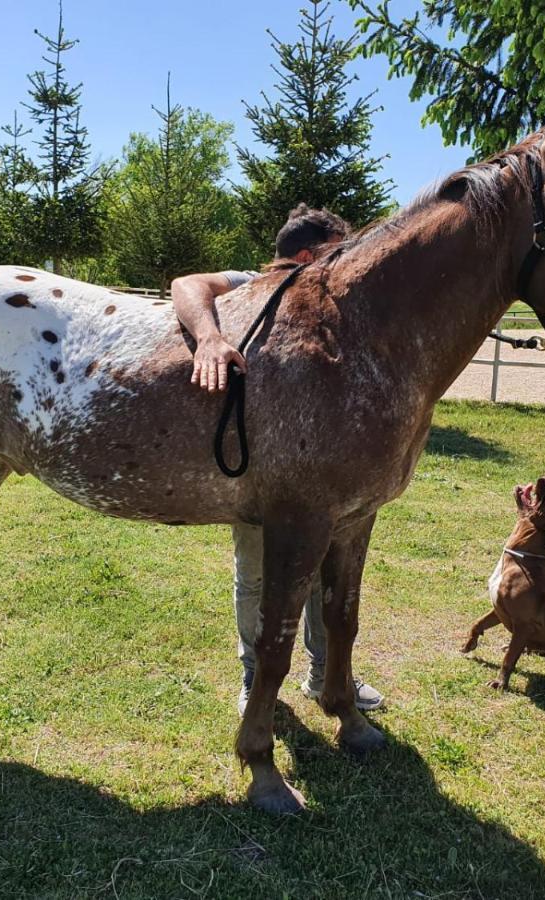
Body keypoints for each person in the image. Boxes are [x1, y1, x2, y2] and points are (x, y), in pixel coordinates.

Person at [171, 204, 385, 716]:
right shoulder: (252, 283)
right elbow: (186, 283)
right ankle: (253, 677)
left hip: (325, 464)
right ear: (308, 256)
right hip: (264, 462)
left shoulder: (337, 307)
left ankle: (326, 674)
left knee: (325, 573)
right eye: (340, 253)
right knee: (257, 573)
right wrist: (208, 337)